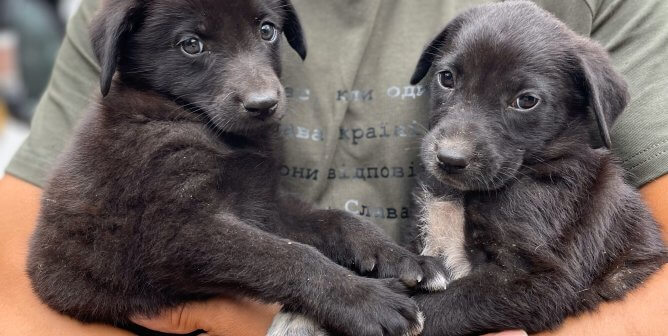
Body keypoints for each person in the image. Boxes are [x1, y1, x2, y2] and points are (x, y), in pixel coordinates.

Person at [1, 0, 666, 335]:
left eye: (266, 34)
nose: (260, 87)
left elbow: (641, 274)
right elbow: (20, 286)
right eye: (445, 82)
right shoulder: (135, 33)